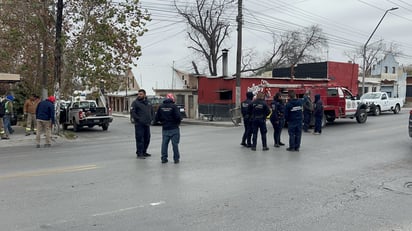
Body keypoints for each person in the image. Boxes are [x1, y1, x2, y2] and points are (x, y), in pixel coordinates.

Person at [154, 93, 182, 164]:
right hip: (174, 128)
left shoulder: (161, 107)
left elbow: (157, 117)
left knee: (164, 144)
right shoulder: (174, 107)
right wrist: (177, 123)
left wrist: (162, 122)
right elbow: (178, 117)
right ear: (172, 99)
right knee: (175, 144)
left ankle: (164, 158)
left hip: (165, 128)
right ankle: (176, 159)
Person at [131, 89, 154, 159]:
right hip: (139, 124)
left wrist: (152, 118)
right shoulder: (135, 103)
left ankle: (144, 151)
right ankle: (139, 153)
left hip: (147, 124)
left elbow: (151, 111)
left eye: (141, 94)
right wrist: (138, 119)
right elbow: (132, 112)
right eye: (138, 94)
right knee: (140, 139)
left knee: (147, 138)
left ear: (144, 95)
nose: (139, 95)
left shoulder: (148, 102)